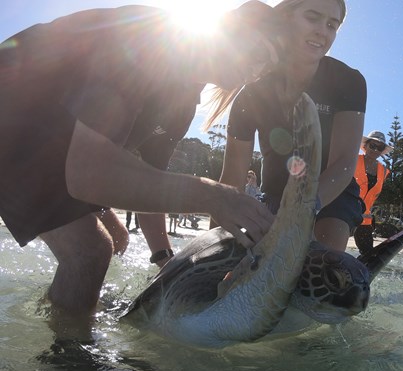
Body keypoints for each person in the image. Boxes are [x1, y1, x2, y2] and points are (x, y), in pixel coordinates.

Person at [0, 2, 283, 319]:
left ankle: (69, 310)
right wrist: (213, 195)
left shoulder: (184, 102)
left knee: (119, 238)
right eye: (258, 52)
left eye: (266, 67)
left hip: (56, 142)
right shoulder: (150, 39)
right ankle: (68, 360)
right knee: (89, 251)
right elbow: (88, 173)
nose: (256, 71)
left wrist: (164, 259)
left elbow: (149, 178)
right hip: (14, 116)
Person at [220, 0, 366, 252]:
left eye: (332, 25)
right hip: (275, 195)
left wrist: (301, 210)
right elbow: (232, 179)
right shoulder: (252, 93)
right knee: (239, 260)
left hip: (333, 194)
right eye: (312, 17)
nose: (323, 30)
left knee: (322, 264)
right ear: (286, 19)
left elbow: (343, 162)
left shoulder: (349, 80)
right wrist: (217, 244)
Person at [352, 130, 392, 257]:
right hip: (344, 214)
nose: (375, 150)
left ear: (382, 151)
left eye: (379, 147)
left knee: (369, 257)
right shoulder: (352, 160)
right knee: (332, 250)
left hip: (365, 222)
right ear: (365, 146)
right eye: (372, 145)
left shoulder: (384, 171)